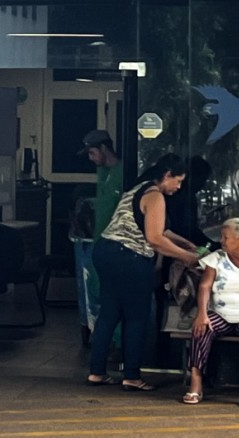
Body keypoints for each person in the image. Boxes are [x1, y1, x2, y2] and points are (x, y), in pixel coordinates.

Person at [87, 153, 200, 391]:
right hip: (129, 258)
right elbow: (155, 238)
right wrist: (187, 257)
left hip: (106, 252)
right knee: (137, 316)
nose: (178, 187)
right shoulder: (156, 196)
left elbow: (160, 230)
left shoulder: (140, 189)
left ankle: (96, 372)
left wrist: (185, 244)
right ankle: (132, 376)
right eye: (178, 181)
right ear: (167, 175)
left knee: (109, 313)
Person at [182, 217, 239, 407]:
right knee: (202, 328)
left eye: (226, 237)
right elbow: (205, 286)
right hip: (222, 314)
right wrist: (202, 313)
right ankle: (196, 383)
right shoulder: (216, 258)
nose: (221, 241)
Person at [74, 130, 123, 343]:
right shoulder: (103, 173)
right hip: (99, 243)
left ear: (104, 148)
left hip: (115, 245)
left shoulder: (122, 173)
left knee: (112, 296)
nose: (90, 158)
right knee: (96, 291)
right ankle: (104, 338)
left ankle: (115, 342)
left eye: (92, 152)